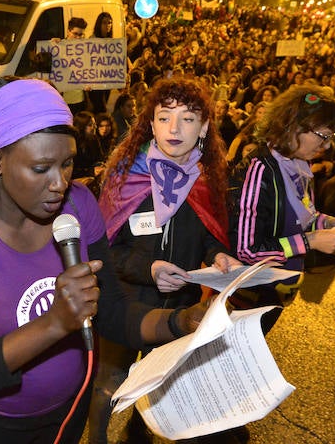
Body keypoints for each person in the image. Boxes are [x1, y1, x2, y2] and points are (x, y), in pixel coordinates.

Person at [0, 77, 211, 442]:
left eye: (67, 163)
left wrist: (182, 322)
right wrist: (54, 322)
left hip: (66, 416)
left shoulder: (79, 204)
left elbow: (113, 310)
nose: (59, 182)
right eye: (41, 168)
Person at [89, 76, 242, 444]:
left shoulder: (207, 182)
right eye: (164, 117)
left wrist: (218, 255)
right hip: (125, 304)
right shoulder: (126, 178)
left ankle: (138, 435)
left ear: (203, 126)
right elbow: (102, 252)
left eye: (188, 118)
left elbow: (209, 235)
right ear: (150, 123)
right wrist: (149, 269)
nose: (175, 128)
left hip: (180, 309)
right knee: (109, 384)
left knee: (160, 383)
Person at [229, 85, 335, 278]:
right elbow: (247, 251)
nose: (327, 145)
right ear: (294, 126)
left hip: (285, 279)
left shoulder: (301, 165)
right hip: (254, 289)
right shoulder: (259, 171)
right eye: (324, 136)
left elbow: (303, 216)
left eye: (331, 137)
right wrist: (309, 241)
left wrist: (328, 222)